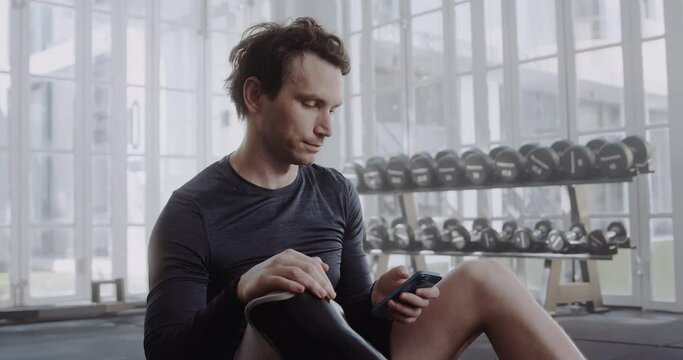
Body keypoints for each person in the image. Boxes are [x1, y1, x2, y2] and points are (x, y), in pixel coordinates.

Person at [144, 17, 585, 360]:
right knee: (287, 296)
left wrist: (379, 301)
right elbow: (166, 352)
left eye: (333, 108)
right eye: (311, 104)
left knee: (483, 277)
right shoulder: (191, 211)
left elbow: (351, 318)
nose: (326, 127)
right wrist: (243, 288)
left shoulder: (335, 192)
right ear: (256, 96)